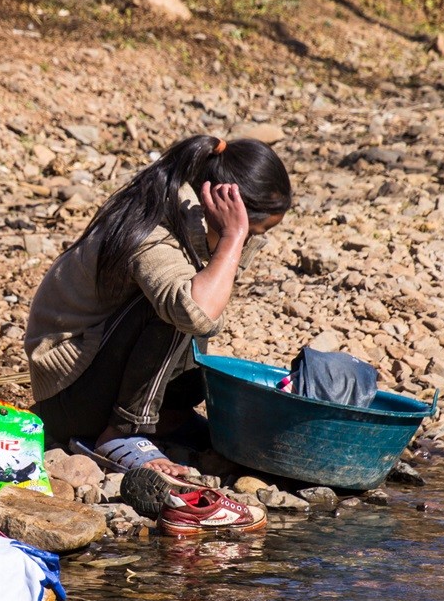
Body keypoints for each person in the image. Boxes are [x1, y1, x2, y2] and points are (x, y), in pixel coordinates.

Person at [25, 135, 292, 478]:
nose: (250, 240)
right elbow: (196, 313)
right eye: (253, 231)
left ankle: (167, 418)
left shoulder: (192, 217)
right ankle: (122, 431)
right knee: (183, 306)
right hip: (69, 397)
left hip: (99, 378)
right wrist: (233, 237)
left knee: (209, 360)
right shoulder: (155, 224)